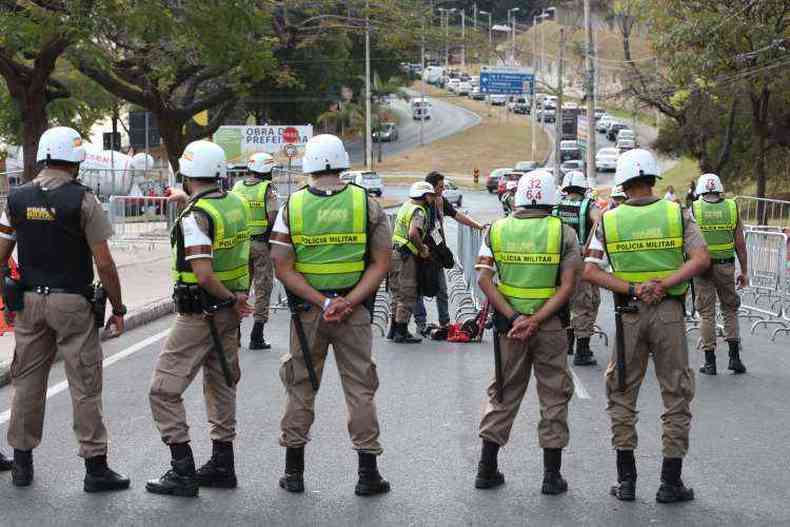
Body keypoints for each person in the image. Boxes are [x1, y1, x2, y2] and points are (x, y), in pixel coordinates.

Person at [0, 126, 129, 491]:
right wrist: (118, 307)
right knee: (85, 384)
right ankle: (95, 469)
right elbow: (104, 263)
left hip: (29, 302)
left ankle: (22, 464)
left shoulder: (17, 199)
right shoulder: (84, 200)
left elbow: (1, 254)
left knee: (26, 381)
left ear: (43, 155)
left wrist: (8, 300)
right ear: (76, 161)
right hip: (72, 303)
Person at [583, 149, 710, 503]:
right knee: (676, 393)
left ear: (623, 183)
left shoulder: (608, 220)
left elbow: (590, 271)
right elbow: (701, 258)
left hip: (629, 316)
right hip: (668, 312)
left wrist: (634, 288)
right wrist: (664, 284)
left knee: (622, 393)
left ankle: (626, 481)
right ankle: (670, 482)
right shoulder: (675, 212)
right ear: (653, 179)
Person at [270, 134, 392, 496]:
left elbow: (281, 265)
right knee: (360, 388)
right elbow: (382, 262)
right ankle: (368, 475)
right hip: (353, 314)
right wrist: (349, 301)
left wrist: (322, 302)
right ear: (342, 162)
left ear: (308, 164)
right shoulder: (366, 204)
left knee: (300, 386)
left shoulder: (291, 207)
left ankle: (294, 473)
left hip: (309, 313)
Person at [146, 140, 253, 498]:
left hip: (201, 312)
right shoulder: (234, 203)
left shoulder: (195, 218)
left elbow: (204, 274)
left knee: (163, 390)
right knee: (221, 384)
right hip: (228, 314)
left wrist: (230, 298)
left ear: (187, 174)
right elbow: (239, 248)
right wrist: (238, 298)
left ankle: (182, 468)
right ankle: (223, 464)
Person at [474, 169, 578, 494]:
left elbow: (482, 279)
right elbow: (568, 287)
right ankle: (551, 476)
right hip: (550, 328)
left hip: (510, 329)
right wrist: (536, 319)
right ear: (552, 199)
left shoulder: (496, 230)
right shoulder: (564, 233)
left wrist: (515, 316)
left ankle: (486, 469)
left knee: (503, 392)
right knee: (553, 395)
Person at [414, 171, 485, 333]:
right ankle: (421, 323)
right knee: (417, 289)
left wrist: (477, 225)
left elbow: (456, 215)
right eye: (440, 187)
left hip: (437, 253)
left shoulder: (440, 201)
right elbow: (413, 232)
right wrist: (421, 249)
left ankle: (444, 322)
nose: (442, 190)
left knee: (441, 289)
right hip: (419, 253)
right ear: (430, 188)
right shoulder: (418, 205)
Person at [691, 173, 747, 375]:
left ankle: (710, 362)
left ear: (700, 190)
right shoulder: (732, 207)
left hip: (702, 267)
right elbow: (740, 243)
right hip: (726, 266)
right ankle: (734, 359)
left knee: (706, 313)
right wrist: (745, 271)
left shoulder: (694, 209)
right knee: (730, 309)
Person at [553, 170, 601, 366]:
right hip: (580, 261)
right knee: (584, 304)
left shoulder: (555, 207)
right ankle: (583, 349)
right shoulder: (588, 206)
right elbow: (599, 220)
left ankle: (568, 343)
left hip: (558, 261)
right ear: (583, 188)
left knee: (564, 301)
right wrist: (588, 244)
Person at [231, 152, 278, 350]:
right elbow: (273, 217)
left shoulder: (237, 186)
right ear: (266, 170)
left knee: (240, 289)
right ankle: (256, 336)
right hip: (261, 244)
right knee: (262, 288)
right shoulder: (267, 189)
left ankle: (235, 334)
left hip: (240, 244)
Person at [388, 181, 436, 343]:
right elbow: (413, 234)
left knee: (396, 292)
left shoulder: (406, 206)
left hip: (394, 253)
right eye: (430, 195)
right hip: (406, 257)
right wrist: (422, 249)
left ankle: (393, 330)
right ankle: (401, 332)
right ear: (423, 196)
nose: (432, 198)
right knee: (407, 293)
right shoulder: (419, 211)